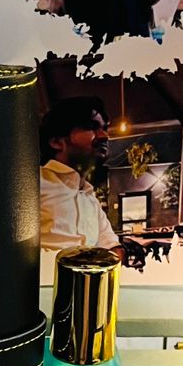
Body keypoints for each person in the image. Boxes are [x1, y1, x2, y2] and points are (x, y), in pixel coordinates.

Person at [39, 97, 122, 257]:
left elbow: (110, 244)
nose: (104, 136)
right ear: (57, 142)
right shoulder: (34, 184)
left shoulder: (89, 197)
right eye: (91, 127)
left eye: (104, 128)